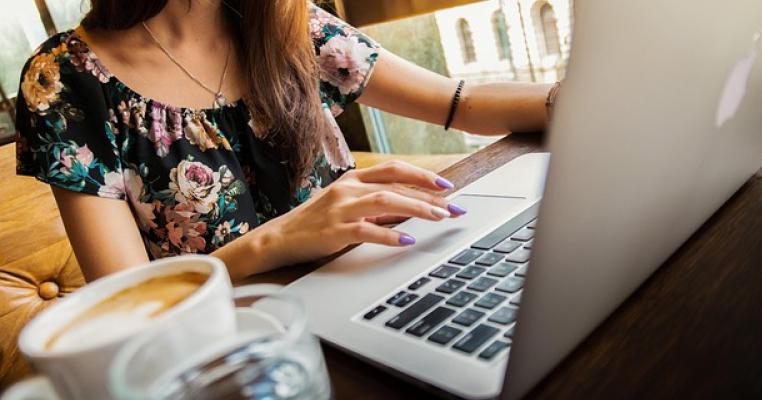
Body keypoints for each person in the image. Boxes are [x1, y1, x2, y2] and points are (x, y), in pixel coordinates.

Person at [14, 0, 556, 282]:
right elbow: (128, 306)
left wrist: (586, 95)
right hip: (237, 351)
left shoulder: (286, 22)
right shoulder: (66, 80)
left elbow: (460, 102)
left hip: (371, 284)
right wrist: (277, 240)